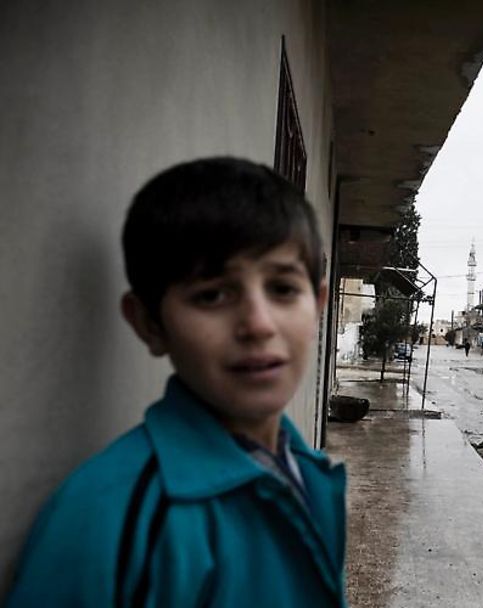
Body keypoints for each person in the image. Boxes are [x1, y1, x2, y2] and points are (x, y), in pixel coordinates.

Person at [6, 158, 347, 607]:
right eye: (212, 295)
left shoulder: (308, 469)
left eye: (283, 289)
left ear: (318, 304)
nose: (259, 324)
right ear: (149, 323)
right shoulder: (106, 518)